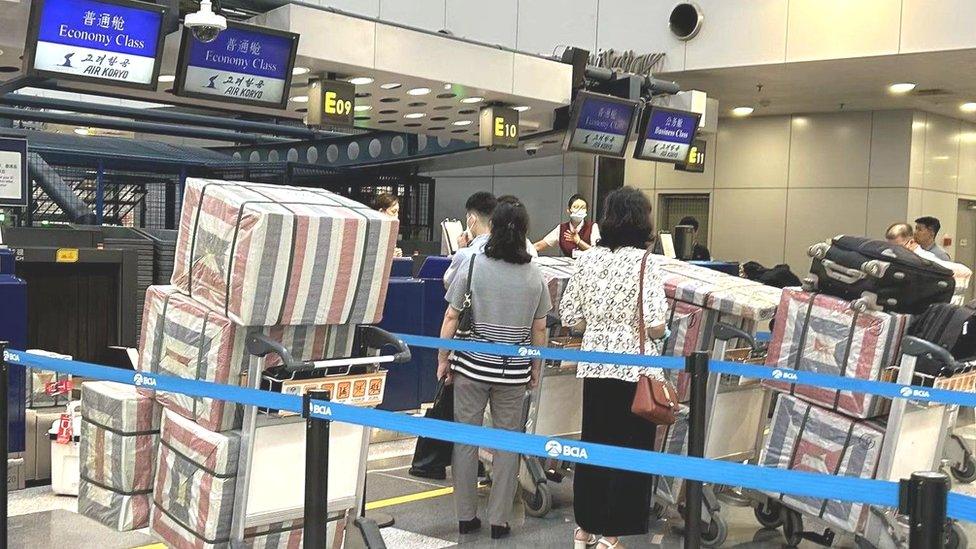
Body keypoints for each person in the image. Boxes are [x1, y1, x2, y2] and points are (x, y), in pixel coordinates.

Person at [560, 187, 668, 549]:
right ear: (641, 221)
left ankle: (584, 529)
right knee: (628, 449)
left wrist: (598, 324)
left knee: (593, 444)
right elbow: (655, 322)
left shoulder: (587, 260)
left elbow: (571, 316)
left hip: (593, 366)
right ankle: (611, 535)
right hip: (633, 370)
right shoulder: (646, 262)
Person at [437, 198, 551, 540]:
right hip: (512, 372)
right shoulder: (535, 274)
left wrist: (443, 359)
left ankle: (466, 516)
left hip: (471, 367)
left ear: (494, 228)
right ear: (525, 232)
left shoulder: (473, 263)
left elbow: (451, 316)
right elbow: (540, 329)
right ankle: (500, 520)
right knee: (506, 445)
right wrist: (535, 369)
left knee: (466, 442)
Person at [444, 192, 537, 288]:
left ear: (471, 219)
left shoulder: (466, 256)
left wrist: (461, 249)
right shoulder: (524, 256)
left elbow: (449, 283)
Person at [535, 194, 601, 257]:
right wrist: (526, 250)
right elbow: (540, 245)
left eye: (583, 208)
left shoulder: (593, 227)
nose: (579, 210)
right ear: (569, 210)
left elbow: (597, 253)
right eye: (576, 207)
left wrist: (579, 241)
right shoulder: (561, 228)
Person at [374, 193, 403, 257]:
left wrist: (396, 254)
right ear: (381, 212)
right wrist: (388, 255)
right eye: (393, 211)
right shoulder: (373, 232)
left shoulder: (391, 231)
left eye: (397, 212)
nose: (397, 216)